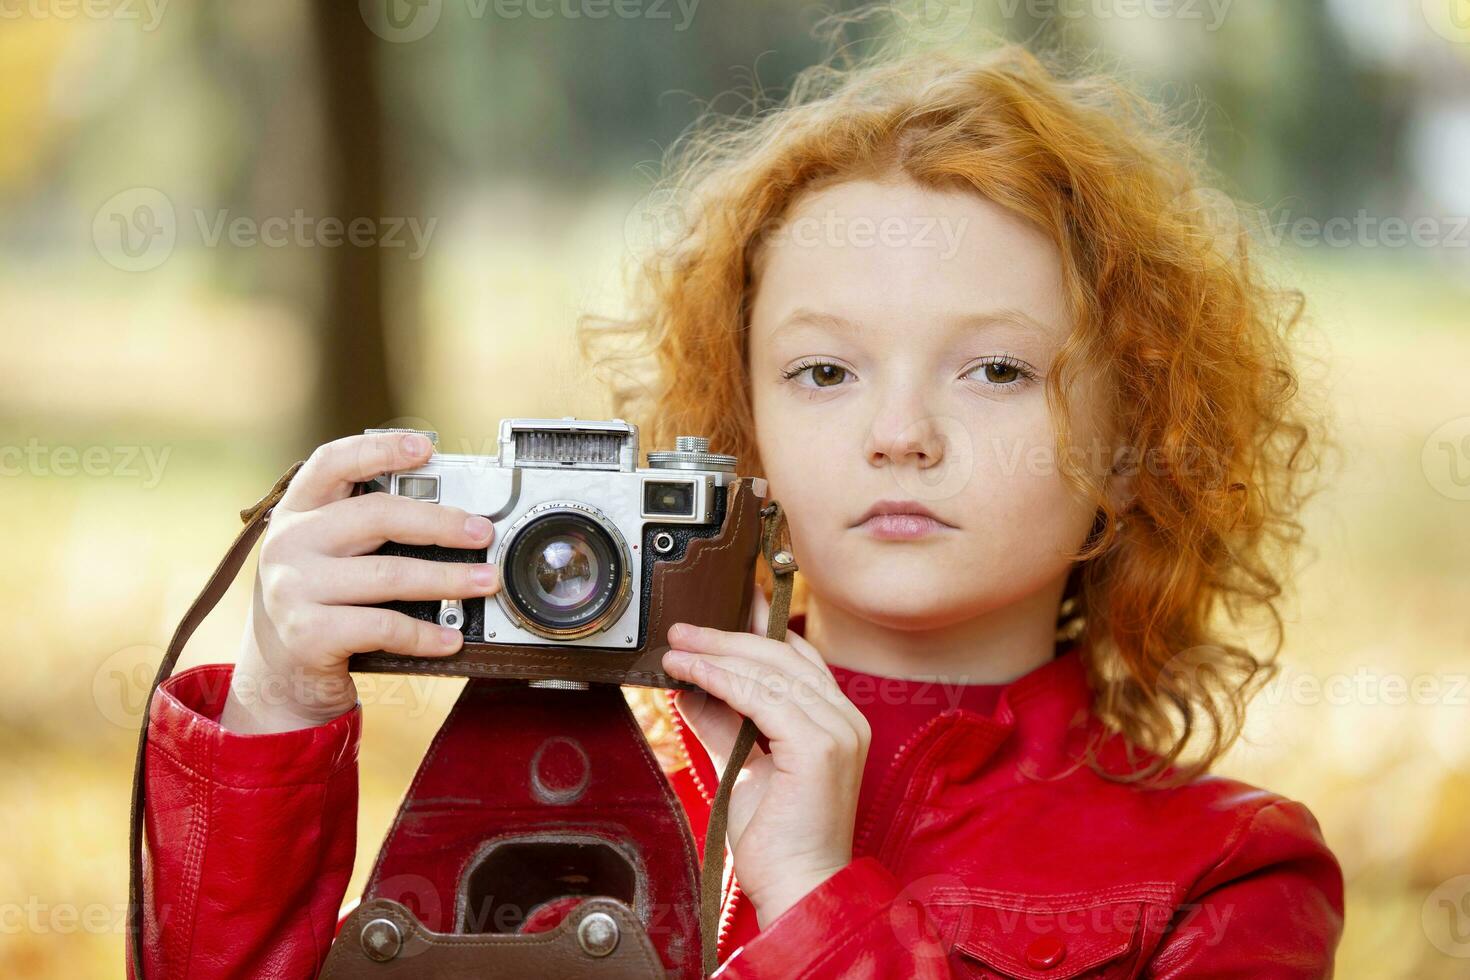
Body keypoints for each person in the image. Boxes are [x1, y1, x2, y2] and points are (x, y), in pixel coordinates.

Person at [130, 39, 1343, 978]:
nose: (899, 431)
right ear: (743, 434)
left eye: (997, 369)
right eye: (825, 370)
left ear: (1135, 444)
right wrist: (274, 712)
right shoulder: (568, 759)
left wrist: (820, 894)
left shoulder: (1229, 872)